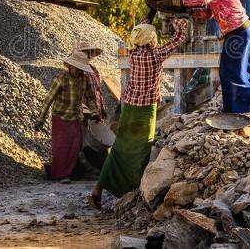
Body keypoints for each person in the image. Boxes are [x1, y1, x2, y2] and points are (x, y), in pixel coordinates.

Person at [88, 18, 189, 208]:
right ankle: (133, 192)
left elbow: (140, 36)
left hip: (130, 109)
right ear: (151, 40)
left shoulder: (133, 54)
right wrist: (179, 27)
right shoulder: (155, 55)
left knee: (119, 150)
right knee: (140, 151)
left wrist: (145, 22)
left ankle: (97, 190)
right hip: (145, 112)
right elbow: (176, 41)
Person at [36, 50, 97, 181]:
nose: (79, 71)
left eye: (81, 69)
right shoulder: (61, 80)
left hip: (75, 116)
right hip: (60, 116)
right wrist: (41, 118)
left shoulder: (84, 80)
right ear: (70, 66)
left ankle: (71, 171)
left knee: (76, 144)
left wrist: (94, 112)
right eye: (77, 68)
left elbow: (91, 98)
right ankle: (61, 174)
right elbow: (48, 100)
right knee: (62, 146)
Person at [76, 41, 106, 121]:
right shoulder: (76, 70)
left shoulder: (94, 70)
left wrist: (102, 109)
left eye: (90, 52)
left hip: (96, 111)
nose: (89, 55)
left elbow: (98, 90)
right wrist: (86, 111)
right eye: (86, 52)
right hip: (83, 112)